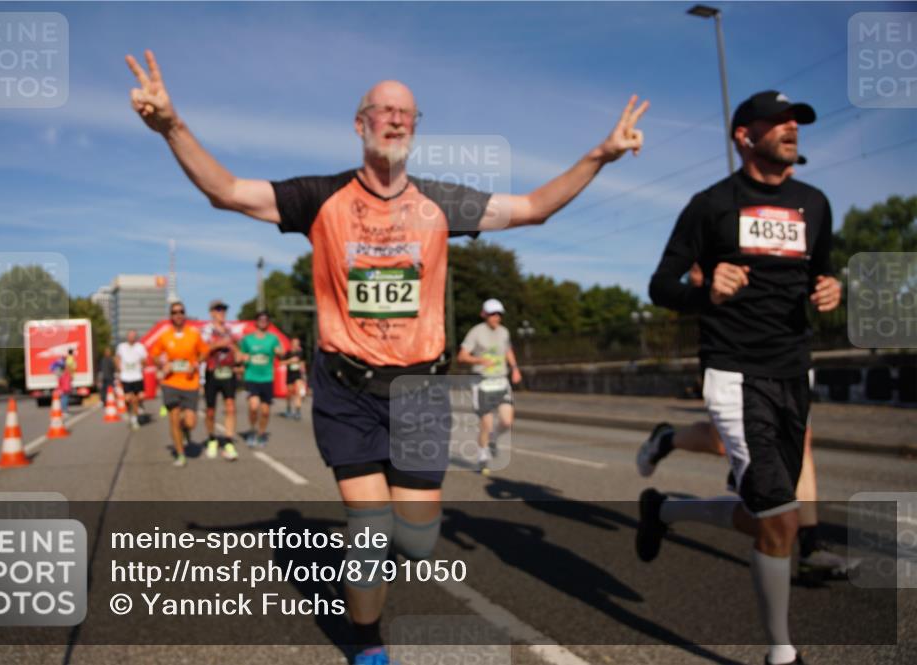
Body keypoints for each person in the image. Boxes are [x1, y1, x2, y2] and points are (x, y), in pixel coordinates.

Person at [127, 49, 646, 664]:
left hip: (423, 391)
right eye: (384, 111)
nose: (396, 121)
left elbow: (533, 208)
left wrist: (600, 155)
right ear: (360, 124)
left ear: (415, 127)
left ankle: (372, 567)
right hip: (348, 388)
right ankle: (367, 642)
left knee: (420, 539)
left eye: (407, 114)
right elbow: (228, 192)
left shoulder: (440, 204)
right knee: (371, 532)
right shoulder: (319, 197)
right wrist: (172, 126)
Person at [641, 90, 840, 665]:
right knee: (779, 516)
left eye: (795, 122)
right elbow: (661, 286)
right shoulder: (711, 206)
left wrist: (830, 289)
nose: (790, 129)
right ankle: (781, 653)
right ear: (744, 136)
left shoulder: (815, 203)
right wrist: (705, 290)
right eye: (776, 122)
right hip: (734, 372)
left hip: (793, 370)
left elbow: (821, 274)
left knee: (762, 513)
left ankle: (666, 510)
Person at [457, 298, 522, 475]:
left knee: (507, 421)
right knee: (486, 423)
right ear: (484, 315)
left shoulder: (504, 332)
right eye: (493, 314)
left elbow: (508, 350)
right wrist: (478, 360)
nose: (496, 317)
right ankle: (482, 456)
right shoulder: (476, 332)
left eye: (499, 314)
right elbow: (462, 356)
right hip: (482, 383)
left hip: (501, 381)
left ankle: (493, 439)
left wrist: (515, 368)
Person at [149, 301, 208, 467]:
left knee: (190, 422)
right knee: (174, 418)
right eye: (174, 312)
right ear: (171, 316)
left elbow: (204, 351)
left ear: (185, 314)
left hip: (190, 383)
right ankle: (180, 453)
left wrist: (196, 363)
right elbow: (154, 354)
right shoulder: (165, 336)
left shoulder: (193, 334)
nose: (178, 315)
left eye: (181, 311)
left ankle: (186, 431)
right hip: (171, 383)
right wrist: (162, 364)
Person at [236, 311, 283, 447]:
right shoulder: (247, 339)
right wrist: (242, 357)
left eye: (266, 319)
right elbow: (240, 355)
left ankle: (261, 433)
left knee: (265, 411)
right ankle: (252, 430)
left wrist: (279, 352)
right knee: (253, 406)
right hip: (252, 377)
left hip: (267, 378)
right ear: (256, 322)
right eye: (261, 319)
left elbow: (280, 352)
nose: (263, 321)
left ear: (268, 323)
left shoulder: (273, 339)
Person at [202, 299, 240, 460]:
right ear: (211, 312)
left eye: (224, 309)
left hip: (228, 373)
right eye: (218, 309)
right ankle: (212, 438)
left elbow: (236, 350)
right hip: (212, 372)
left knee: (230, 407)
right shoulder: (206, 330)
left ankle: (228, 441)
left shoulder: (231, 330)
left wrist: (238, 354)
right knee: (211, 411)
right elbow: (203, 350)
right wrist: (218, 344)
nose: (221, 312)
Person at [116, 330, 149, 430]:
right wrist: (119, 368)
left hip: (137, 376)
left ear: (136, 337)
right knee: (128, 398)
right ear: (127, 337)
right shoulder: (121, 347)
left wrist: (142, 365)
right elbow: (117, 358)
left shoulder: (140, 347)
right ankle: (132, 412)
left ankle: (135, 418)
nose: (132, 337)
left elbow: (145, 360)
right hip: (126, 376)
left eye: (133, 336)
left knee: (138, 397)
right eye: (130, 336)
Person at [279, 336, 307, 421]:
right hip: (290, 375)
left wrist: (304, 374)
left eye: (297, 343)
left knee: (298, 392)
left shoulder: (301, 352)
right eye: (294, 343)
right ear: (291, 343)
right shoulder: (288, 353)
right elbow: (281, 363)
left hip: (298, 375)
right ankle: (288, 408)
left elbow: (303, 363)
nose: (296, 345)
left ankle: (298, 411)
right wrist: (290, 361)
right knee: (289, 393)